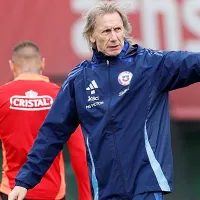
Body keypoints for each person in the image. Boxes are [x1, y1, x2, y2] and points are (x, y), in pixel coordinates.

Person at [8, 1, 200, 200]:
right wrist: (24, 181)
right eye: (106, 31)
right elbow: (52, 134)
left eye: (118, 29)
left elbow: (194, 63)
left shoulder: (150, 65)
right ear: (91, 35)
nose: (114, 37)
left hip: (146, 186)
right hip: (105, 190)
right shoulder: (79, 81)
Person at [0, 41, 91, 200]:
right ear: (42, 63)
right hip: (52, 193)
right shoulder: (60, 96)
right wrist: (86, 197)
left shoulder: (2, 96)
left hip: (12, 192)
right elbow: (79, 150)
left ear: (12, 65)